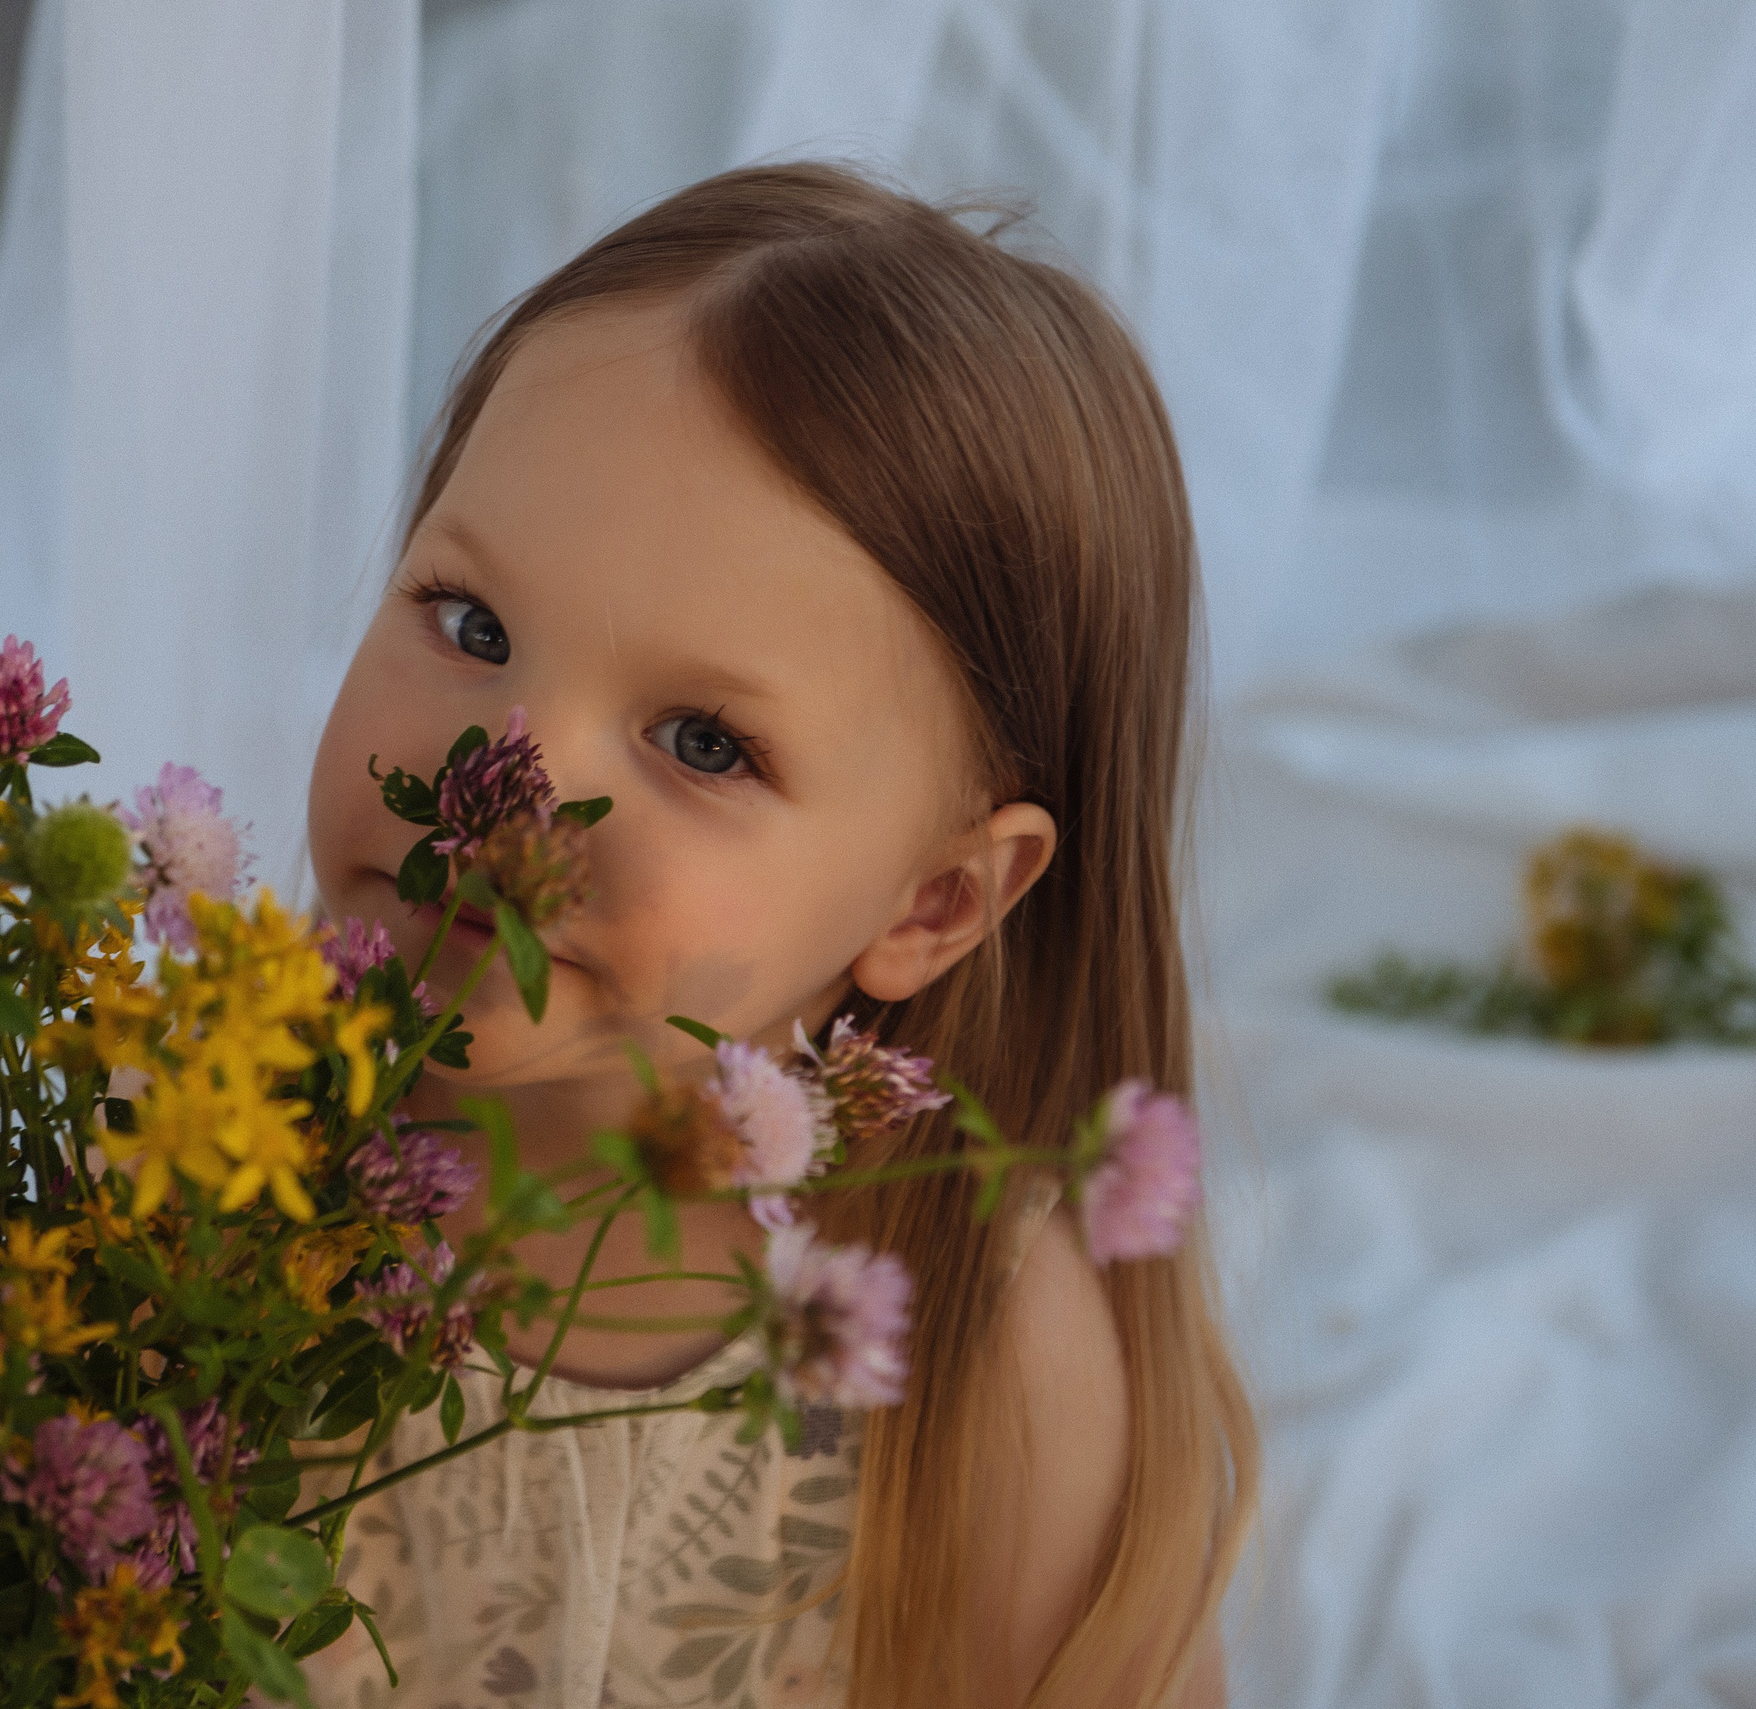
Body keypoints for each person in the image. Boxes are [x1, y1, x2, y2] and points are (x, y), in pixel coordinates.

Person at [299, 162, 1256, 1709]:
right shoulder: (202, 1170)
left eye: (701, 740)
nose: (504, 785)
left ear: (933, 902)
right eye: (471, 625)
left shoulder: (983, 1359)